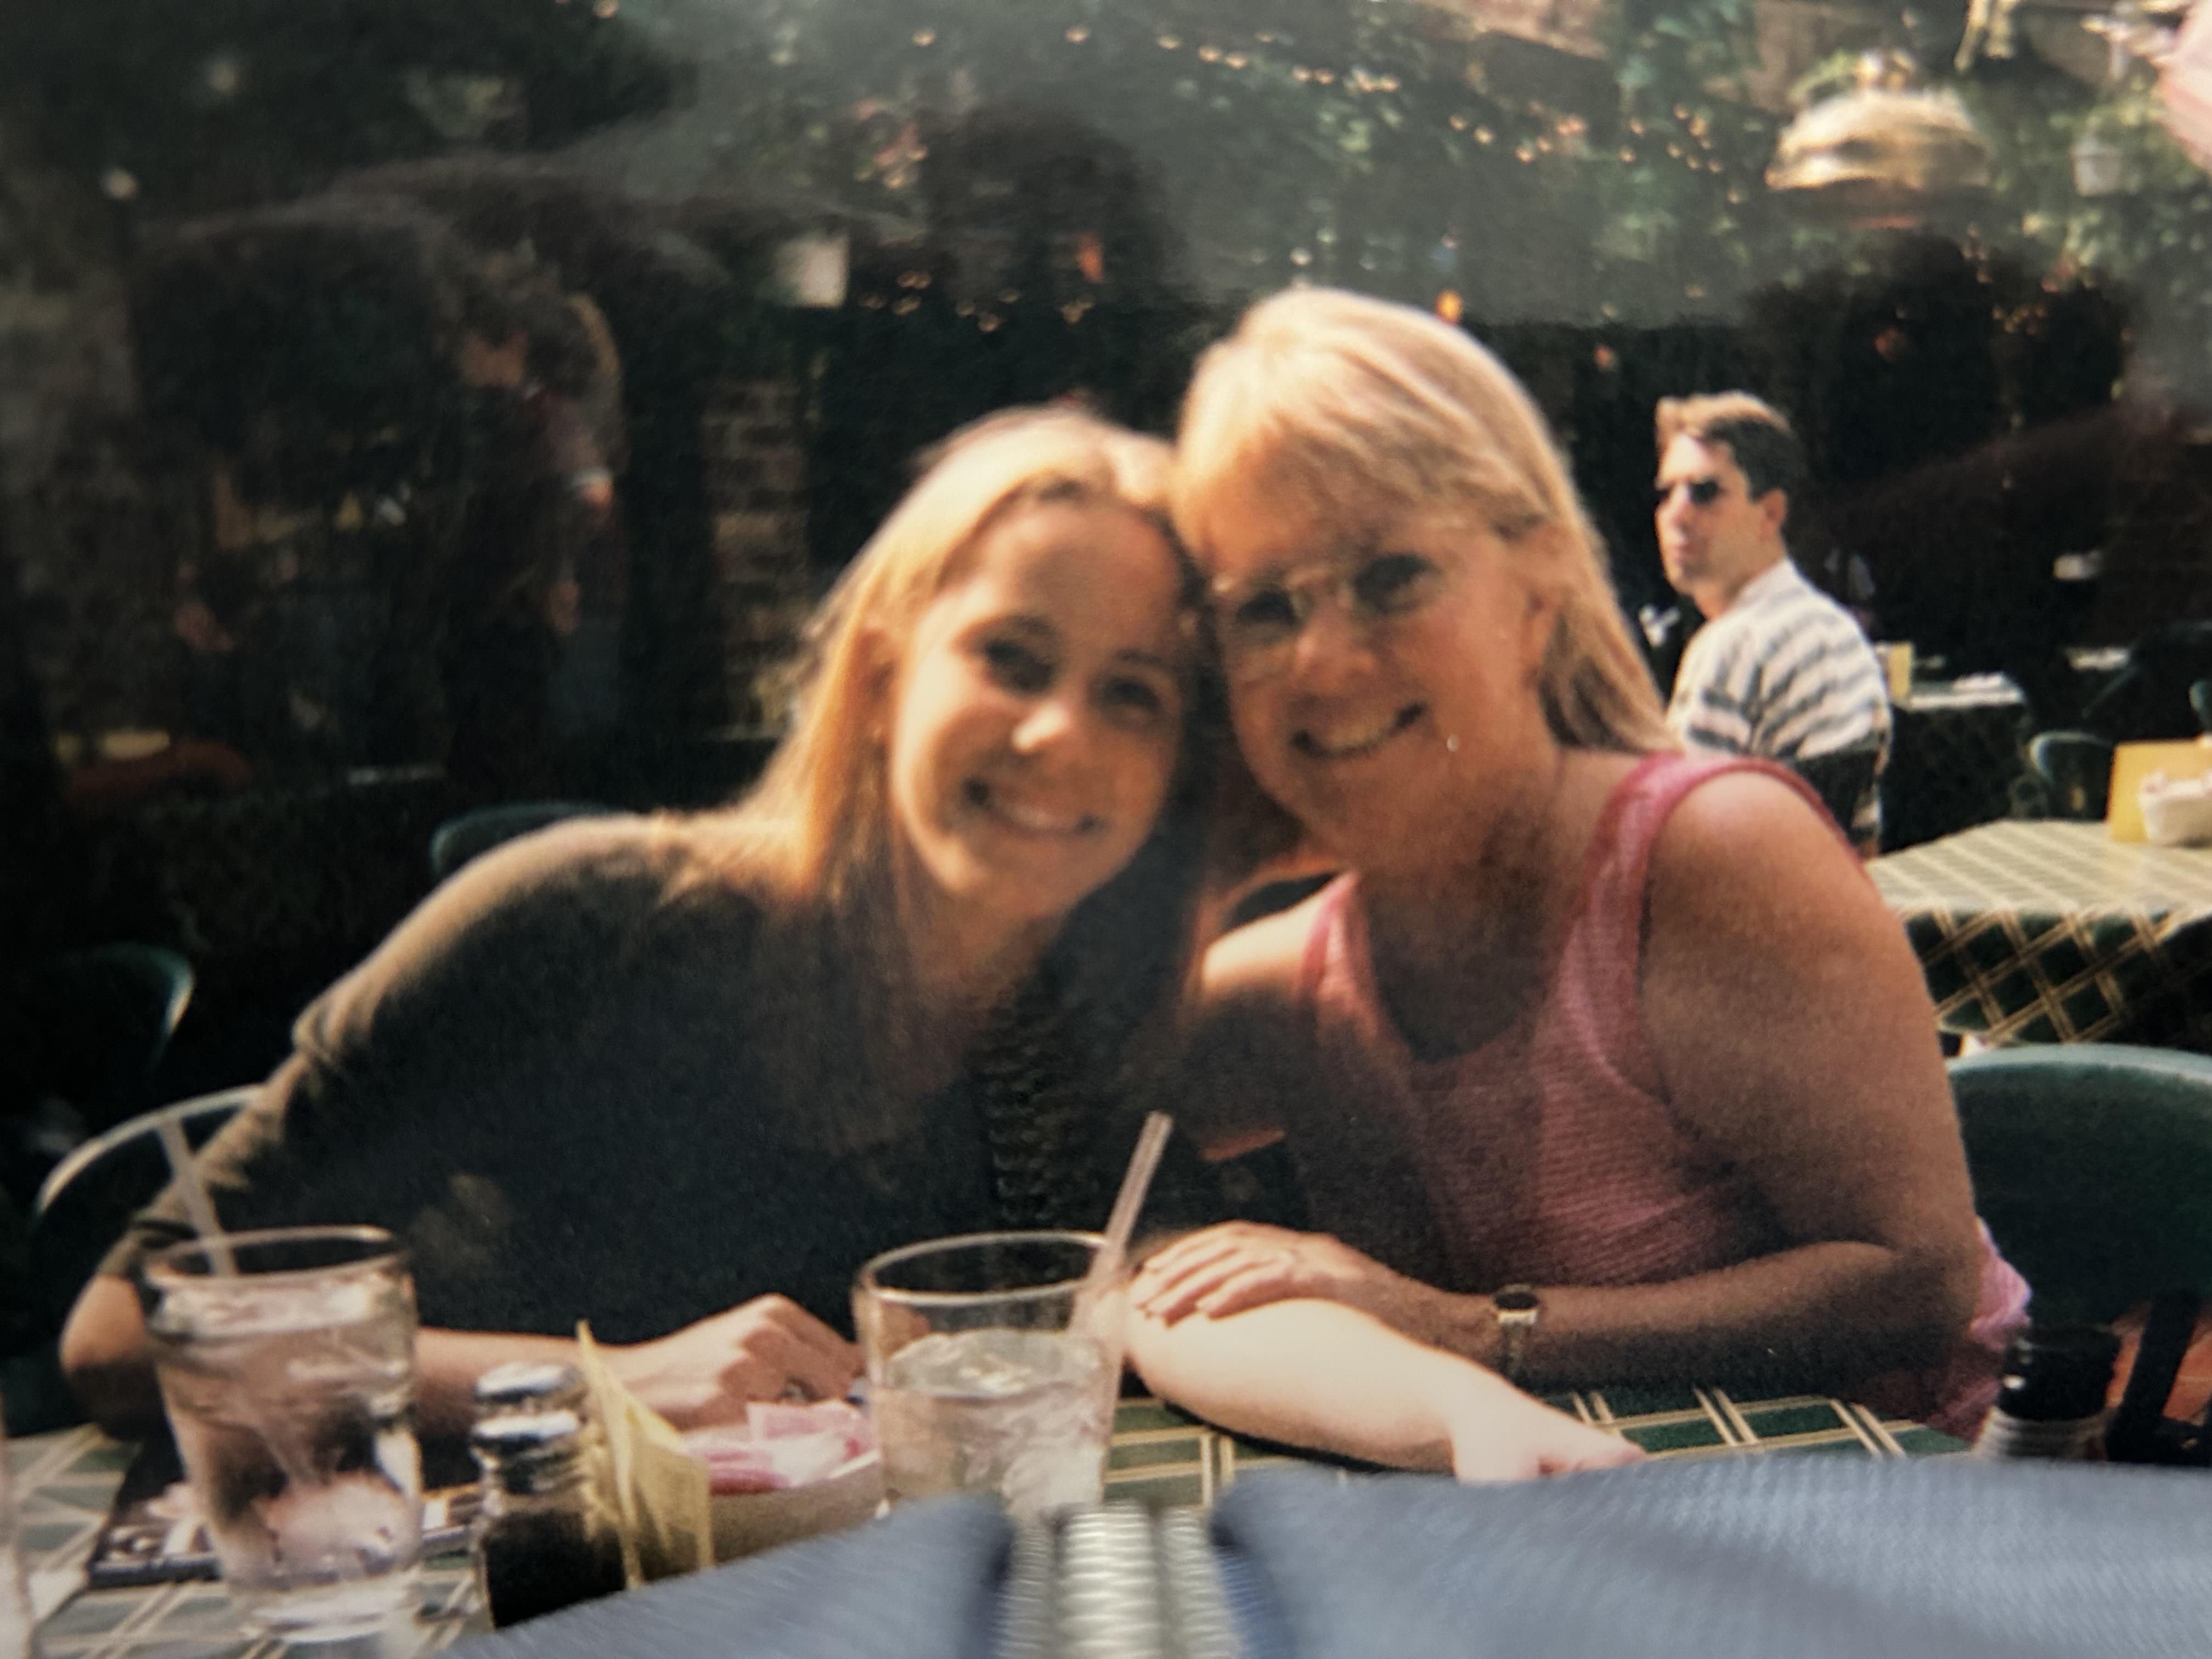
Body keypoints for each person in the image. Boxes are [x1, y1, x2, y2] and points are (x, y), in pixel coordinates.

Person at [60, 406, 1623, 1481]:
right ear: (886, 667)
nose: (1060, 734)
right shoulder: (586, 926)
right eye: (1010, 656)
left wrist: (1469, 1418)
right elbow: (129, 1335)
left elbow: (1171, 1302)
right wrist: (601, 1386)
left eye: (1135, 695)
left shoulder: (1080, 1017)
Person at [1125, 289, 2026, 1444]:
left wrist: (1460, 1327)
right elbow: (1052, 1145)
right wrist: (1200, 862)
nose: (1326, 661)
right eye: (1263, 610)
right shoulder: (1291, 988)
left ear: (1537, 584)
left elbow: (1911, 1286)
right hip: (1554, 1542)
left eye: (1390, 577)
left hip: (1898, 1526)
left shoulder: (1708, 859)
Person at [1651, 393, 1893, 849]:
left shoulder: (1732, 646)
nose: (1676, 514)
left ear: (1771, 514)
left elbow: (1673, 847)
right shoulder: (1836, 631)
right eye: (1666, 492)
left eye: (1705, 492)